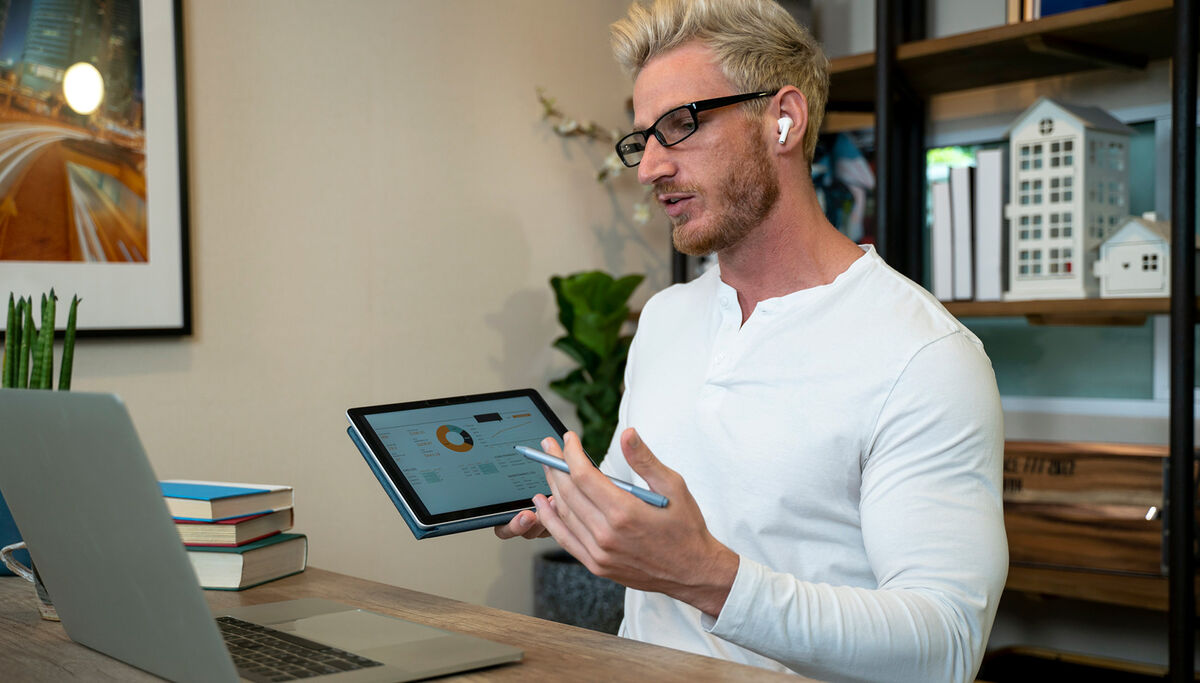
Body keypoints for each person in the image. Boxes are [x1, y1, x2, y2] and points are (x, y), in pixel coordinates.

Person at [497, 1, 1008, 680]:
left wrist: (709, 577)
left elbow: (942, 647)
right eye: (641, 138)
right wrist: (577, 507)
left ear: (784, 119)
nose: (649, 167)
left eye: (679, 125)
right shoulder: (666, 318)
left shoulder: (924, 356)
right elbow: (646, 520)